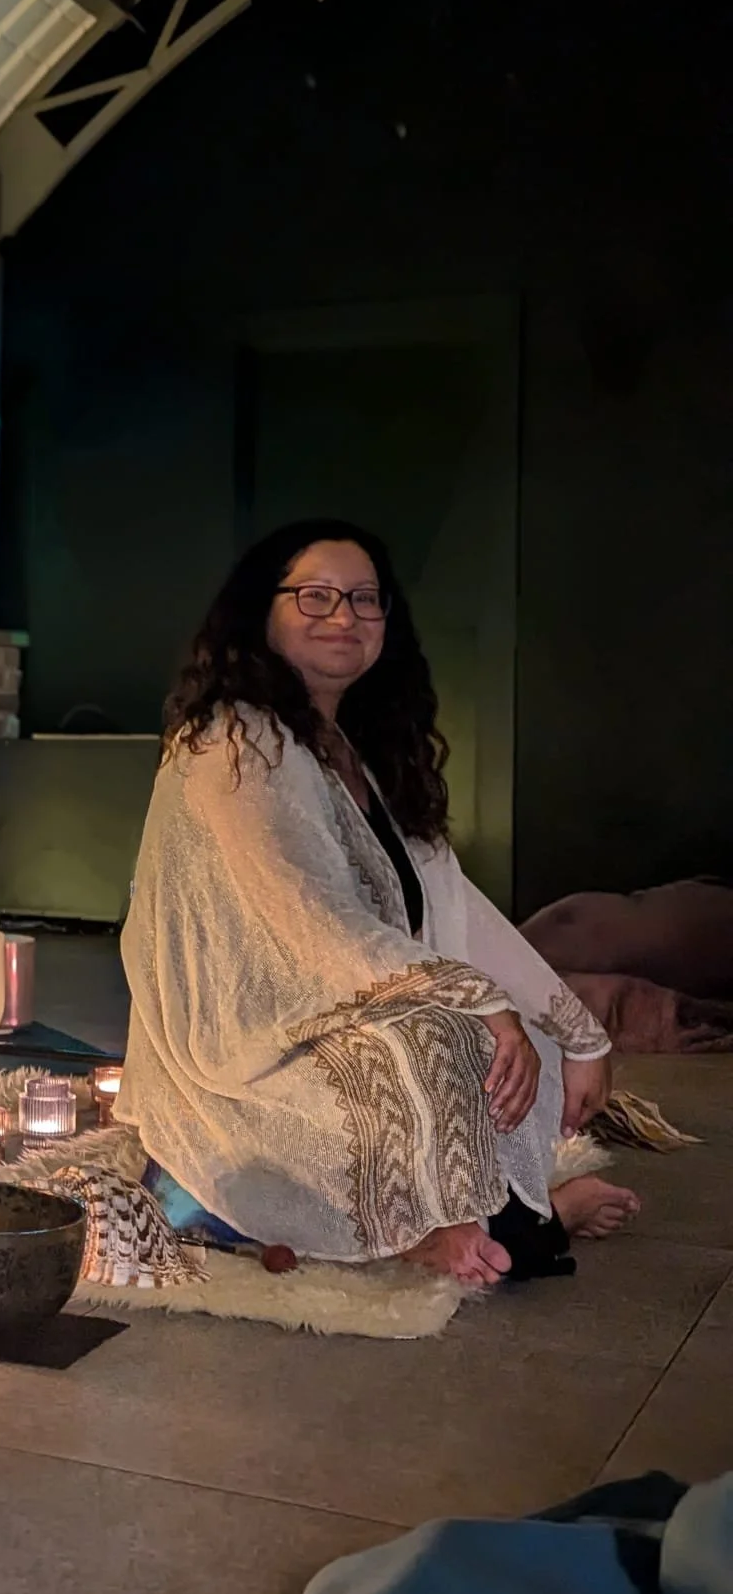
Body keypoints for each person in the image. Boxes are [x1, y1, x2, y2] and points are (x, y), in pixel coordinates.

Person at [116, 519, 640, 1283]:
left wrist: (581, 1036)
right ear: (261, 612)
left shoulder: (342, 748)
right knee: (443, 1038)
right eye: (316, 596)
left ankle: (498, 1213)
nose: (343, 617)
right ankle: (469, 1229)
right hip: (246, 1037)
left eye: (364, 600)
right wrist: (472, 1001)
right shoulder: (234, 740)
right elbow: (308, 924)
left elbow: (454, 906)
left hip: (334, 997)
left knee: (509, 1034)